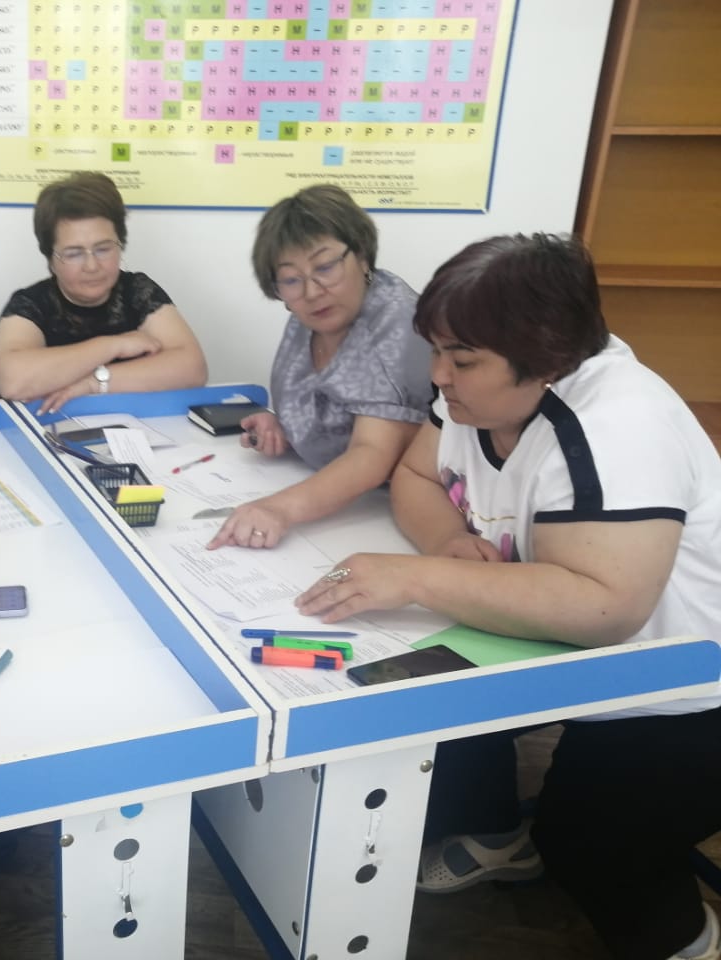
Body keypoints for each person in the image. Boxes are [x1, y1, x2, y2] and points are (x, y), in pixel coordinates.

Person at [297, 234, 721, 960]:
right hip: (575, 646)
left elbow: (607, 607)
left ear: (548, 360)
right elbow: (418, 477)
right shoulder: (473, 398)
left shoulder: (618, 427)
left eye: (461, 360)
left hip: (684, 685)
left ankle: (693, 943)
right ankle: (500, 838)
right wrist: (447, 544)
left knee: (591, 847)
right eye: (437, 351)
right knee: (430, 694)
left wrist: (417, 577)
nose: (439, 376)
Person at [207, 183, 432, 550]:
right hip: (346, 505)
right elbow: (333, 405)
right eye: (291, 280)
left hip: (398, 514)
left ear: (362, 255)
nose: (311, 291)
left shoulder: (397, 322)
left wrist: (277, 509)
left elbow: (374, 453)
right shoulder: (314, 316)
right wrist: (287, 427)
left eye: (325, 267)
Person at [0, 171, 207, 411]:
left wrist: (95, 382)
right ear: (50, 259)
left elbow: (193, 369)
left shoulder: (137, 290)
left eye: (103, 249)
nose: (92, 266)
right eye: (74, 253)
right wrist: (113, 345)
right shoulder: (29, 303)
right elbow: (14, 382)